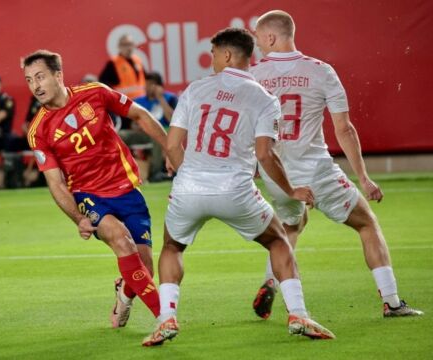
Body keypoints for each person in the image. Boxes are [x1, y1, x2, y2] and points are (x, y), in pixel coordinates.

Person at [143, 28, 335, 346]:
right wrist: (291, 190)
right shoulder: (264, 99)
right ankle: (298, 314)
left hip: (189, 188)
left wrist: (185, 173)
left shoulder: (195, 89)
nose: (212, 58)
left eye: (214, 52)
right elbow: (265, 154)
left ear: (228, 55)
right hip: (236, 191)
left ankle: (167, 318)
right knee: (278, 242)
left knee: (172, 247)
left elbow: (173, 146)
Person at [250, 10, 423, 319]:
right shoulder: (321, 71)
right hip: (315, 170)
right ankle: (392, 301)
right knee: (366, 223)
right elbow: (344, 129)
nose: (257, 44)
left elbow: (245, 130)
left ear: (271, 37)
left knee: (291, 225)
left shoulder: (253, 76)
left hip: (275, 173)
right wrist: (364, 178)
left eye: (259, 37)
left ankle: (269, 282)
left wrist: (251, 167)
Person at [23, 49, 170, 331]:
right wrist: (78, 218)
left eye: (40, 77)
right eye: (29, 80)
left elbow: (139, 115)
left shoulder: (96, 93)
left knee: (145, 268)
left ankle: (124, 298)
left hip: (126, 188)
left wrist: (169, 148)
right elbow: (55, 182)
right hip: (88, 195)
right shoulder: (38, 130)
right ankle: (165, 319)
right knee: (121, 240)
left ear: (58, 75)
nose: (35, 86)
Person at [133, 71, 178, 181]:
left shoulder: (170, 98)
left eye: (151, 84)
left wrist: (160, 98)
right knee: (120, 135)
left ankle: (156, 173)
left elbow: (173, 120)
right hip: (142, 133)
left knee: (156, 135)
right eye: (146, 84)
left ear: (158, 86)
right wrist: (138, 125)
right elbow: (132, 123)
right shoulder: (139, 101)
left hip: (164, 132)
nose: (147, 87)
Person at [99, 34, 146, 99]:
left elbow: (145, 79)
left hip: (142, 100)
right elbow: (103, 81)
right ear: (119, 46)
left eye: (130, 44)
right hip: (125, 102)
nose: (128, 47)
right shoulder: (113, 63)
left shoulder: (138, 60)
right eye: (125, 45)